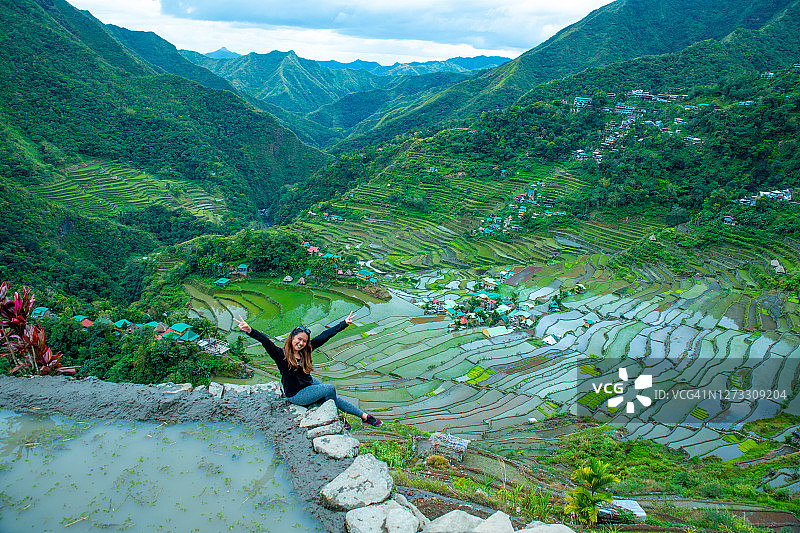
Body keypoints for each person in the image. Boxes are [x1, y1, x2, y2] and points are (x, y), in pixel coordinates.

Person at [233, 312, 382, 429]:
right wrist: (250, 330)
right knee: (329, 389)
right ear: (292, 338)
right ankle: (337, 417)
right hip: (296, 394)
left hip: (307, 383)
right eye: (299, 339)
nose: (301, 343)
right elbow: (266, 341)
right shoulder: (280, 355)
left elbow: (325, 336)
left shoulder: (306, 351)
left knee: (330, 394)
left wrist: (344, 323)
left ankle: (364, 416)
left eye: (304, 341)